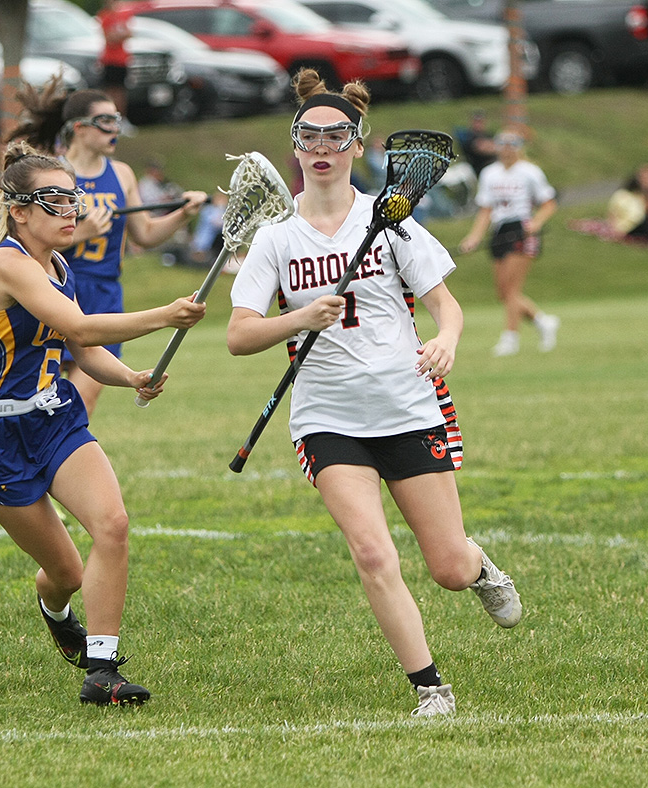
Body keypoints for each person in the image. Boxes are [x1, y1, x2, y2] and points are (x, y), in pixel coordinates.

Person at [226, 68, 522, 718]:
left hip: (407, 404)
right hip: (327, 418)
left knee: (445, 565)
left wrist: (446, 340)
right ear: (295, 147)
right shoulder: (275, 239)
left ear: (357, 144)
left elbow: (448, 307)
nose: (323, 146)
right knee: (371, 550)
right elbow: (240, 336)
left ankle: (479, 568)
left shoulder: (391, 221)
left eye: (337, 135)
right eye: (311, 135)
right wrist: (298, 318)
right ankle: (430, 688)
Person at [0, 141, 205, 706]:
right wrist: (165, 314)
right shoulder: (5, 264)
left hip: (53, 415)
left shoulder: (58, 265)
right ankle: (56, 609)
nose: (73, 211)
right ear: (19, 210)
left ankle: (101, 670)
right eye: (56, 200)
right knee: (63, 572)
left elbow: (80, 349)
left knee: (111, 524)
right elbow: (83, 328)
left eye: (75, 198)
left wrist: (132, 376)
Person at [8, 77, 208, 415]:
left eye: (117, 120)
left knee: (83, 399)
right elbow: (23, 240)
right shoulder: (52, 175)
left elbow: (143, 234)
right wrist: (81, 233)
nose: (115, 129)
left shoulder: (123, 174)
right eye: (106, 121)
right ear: (79, 128)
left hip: (104, 293)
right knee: (42, 394)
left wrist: (181, 214)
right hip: (54, 289)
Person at [459, 130, 559, 357]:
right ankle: (543, 321)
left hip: (522, 229)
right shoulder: (489, 174)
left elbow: (549, 203)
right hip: (500, 230)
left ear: (519, 147)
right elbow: (485, 209)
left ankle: (510, 338)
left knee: (513, 290)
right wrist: (474, 237)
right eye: (502, 143)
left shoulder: (530, 172)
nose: (507, 148)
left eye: (512, 144)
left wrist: (535, 223)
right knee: (503, 292)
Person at [97, 0, 133, 117]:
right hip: (110, 60)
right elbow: (110, 39)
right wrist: (119, 36)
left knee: (121, 91)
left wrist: (119, 35)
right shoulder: (105, 16)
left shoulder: (122, 16)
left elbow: (129, 33)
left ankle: (122, 118)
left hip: (122, 59)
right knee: (111, 91)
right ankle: (110, 115)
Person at [455, 109, 497, 178]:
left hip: (492, 165)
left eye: (480, 122)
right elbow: (480, 147)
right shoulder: (468, 136)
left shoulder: (489, 134)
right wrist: (492, 147)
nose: (478, 124)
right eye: (476, 122)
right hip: (475, 168)